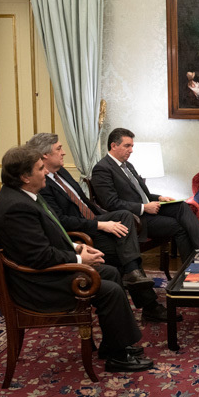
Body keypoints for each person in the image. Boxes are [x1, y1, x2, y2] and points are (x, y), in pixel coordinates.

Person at [0, 145, 153, 372]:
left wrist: (77, 247)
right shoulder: (17, 207)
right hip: (37, 284)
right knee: (111, 290)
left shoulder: (24, 195)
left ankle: (113, 344)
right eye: (40, 169)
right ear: (25, 177)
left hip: (47, 270)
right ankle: (118, 358)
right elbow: (39, 256)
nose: (45, 172)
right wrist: (80, 260)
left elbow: (50, 234)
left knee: (112, 272)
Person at [28, 133, 176, 324]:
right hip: (82, 234)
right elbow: (62, 221)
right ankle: (148, 303)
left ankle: (134, 278)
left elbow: (85, 202)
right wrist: (100, 223)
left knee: (124, 216)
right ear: (45, 154)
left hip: (92, 220)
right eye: (59, 148)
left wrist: (103, 216)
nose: (64, 152)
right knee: (125, 252)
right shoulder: (43, 183)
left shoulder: (61, 172)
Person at [91, 128, 199, 262]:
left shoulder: (128, 165)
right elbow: (111, 203)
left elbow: (142, 193)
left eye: (132, 146)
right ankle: (191, 267)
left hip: (146, 210)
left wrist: (159, 198)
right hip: (135, 218)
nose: (131, 150)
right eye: (127, 146)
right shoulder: (102, 169)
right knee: (179, 226)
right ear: (113, 146)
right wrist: (144, 207)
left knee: (181, 206)